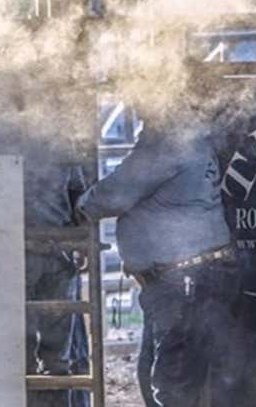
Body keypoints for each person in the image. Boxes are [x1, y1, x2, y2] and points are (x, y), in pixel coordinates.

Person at [76, 96, 239, 407]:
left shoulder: (167, 140)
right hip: (186, 277)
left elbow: (113, 196)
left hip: (183, 279)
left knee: (171, 383)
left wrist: (81, 204)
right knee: (167, 378)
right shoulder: (190, 134)